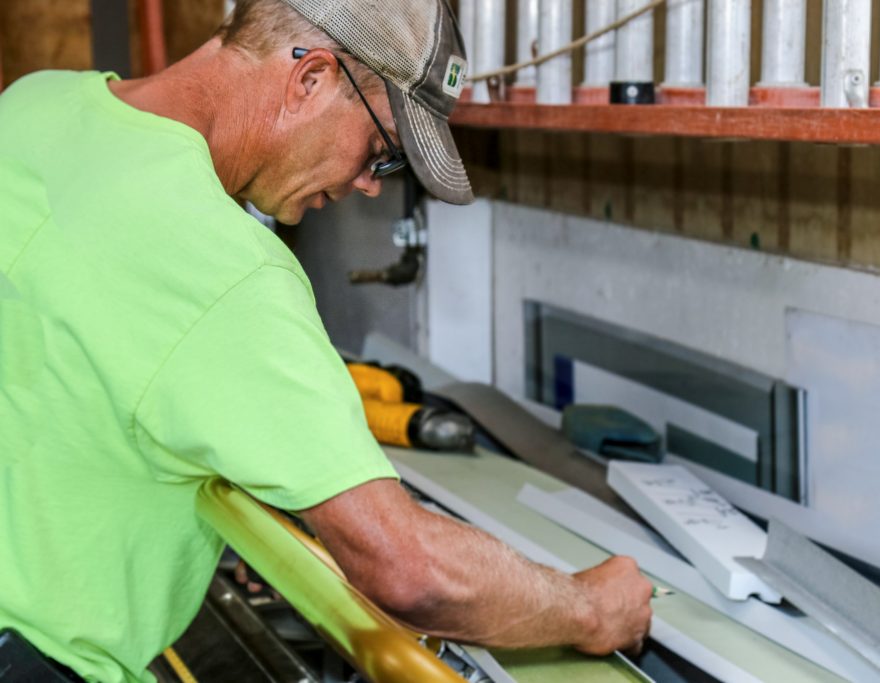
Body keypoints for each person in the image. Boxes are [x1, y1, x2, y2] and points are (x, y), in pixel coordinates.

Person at [0, 0, 653, 680]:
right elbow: (407, 569)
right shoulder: (231, 271)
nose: (368, 185)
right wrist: (590, 606)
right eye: (381, 150)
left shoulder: (32, 104)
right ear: (309, 78)